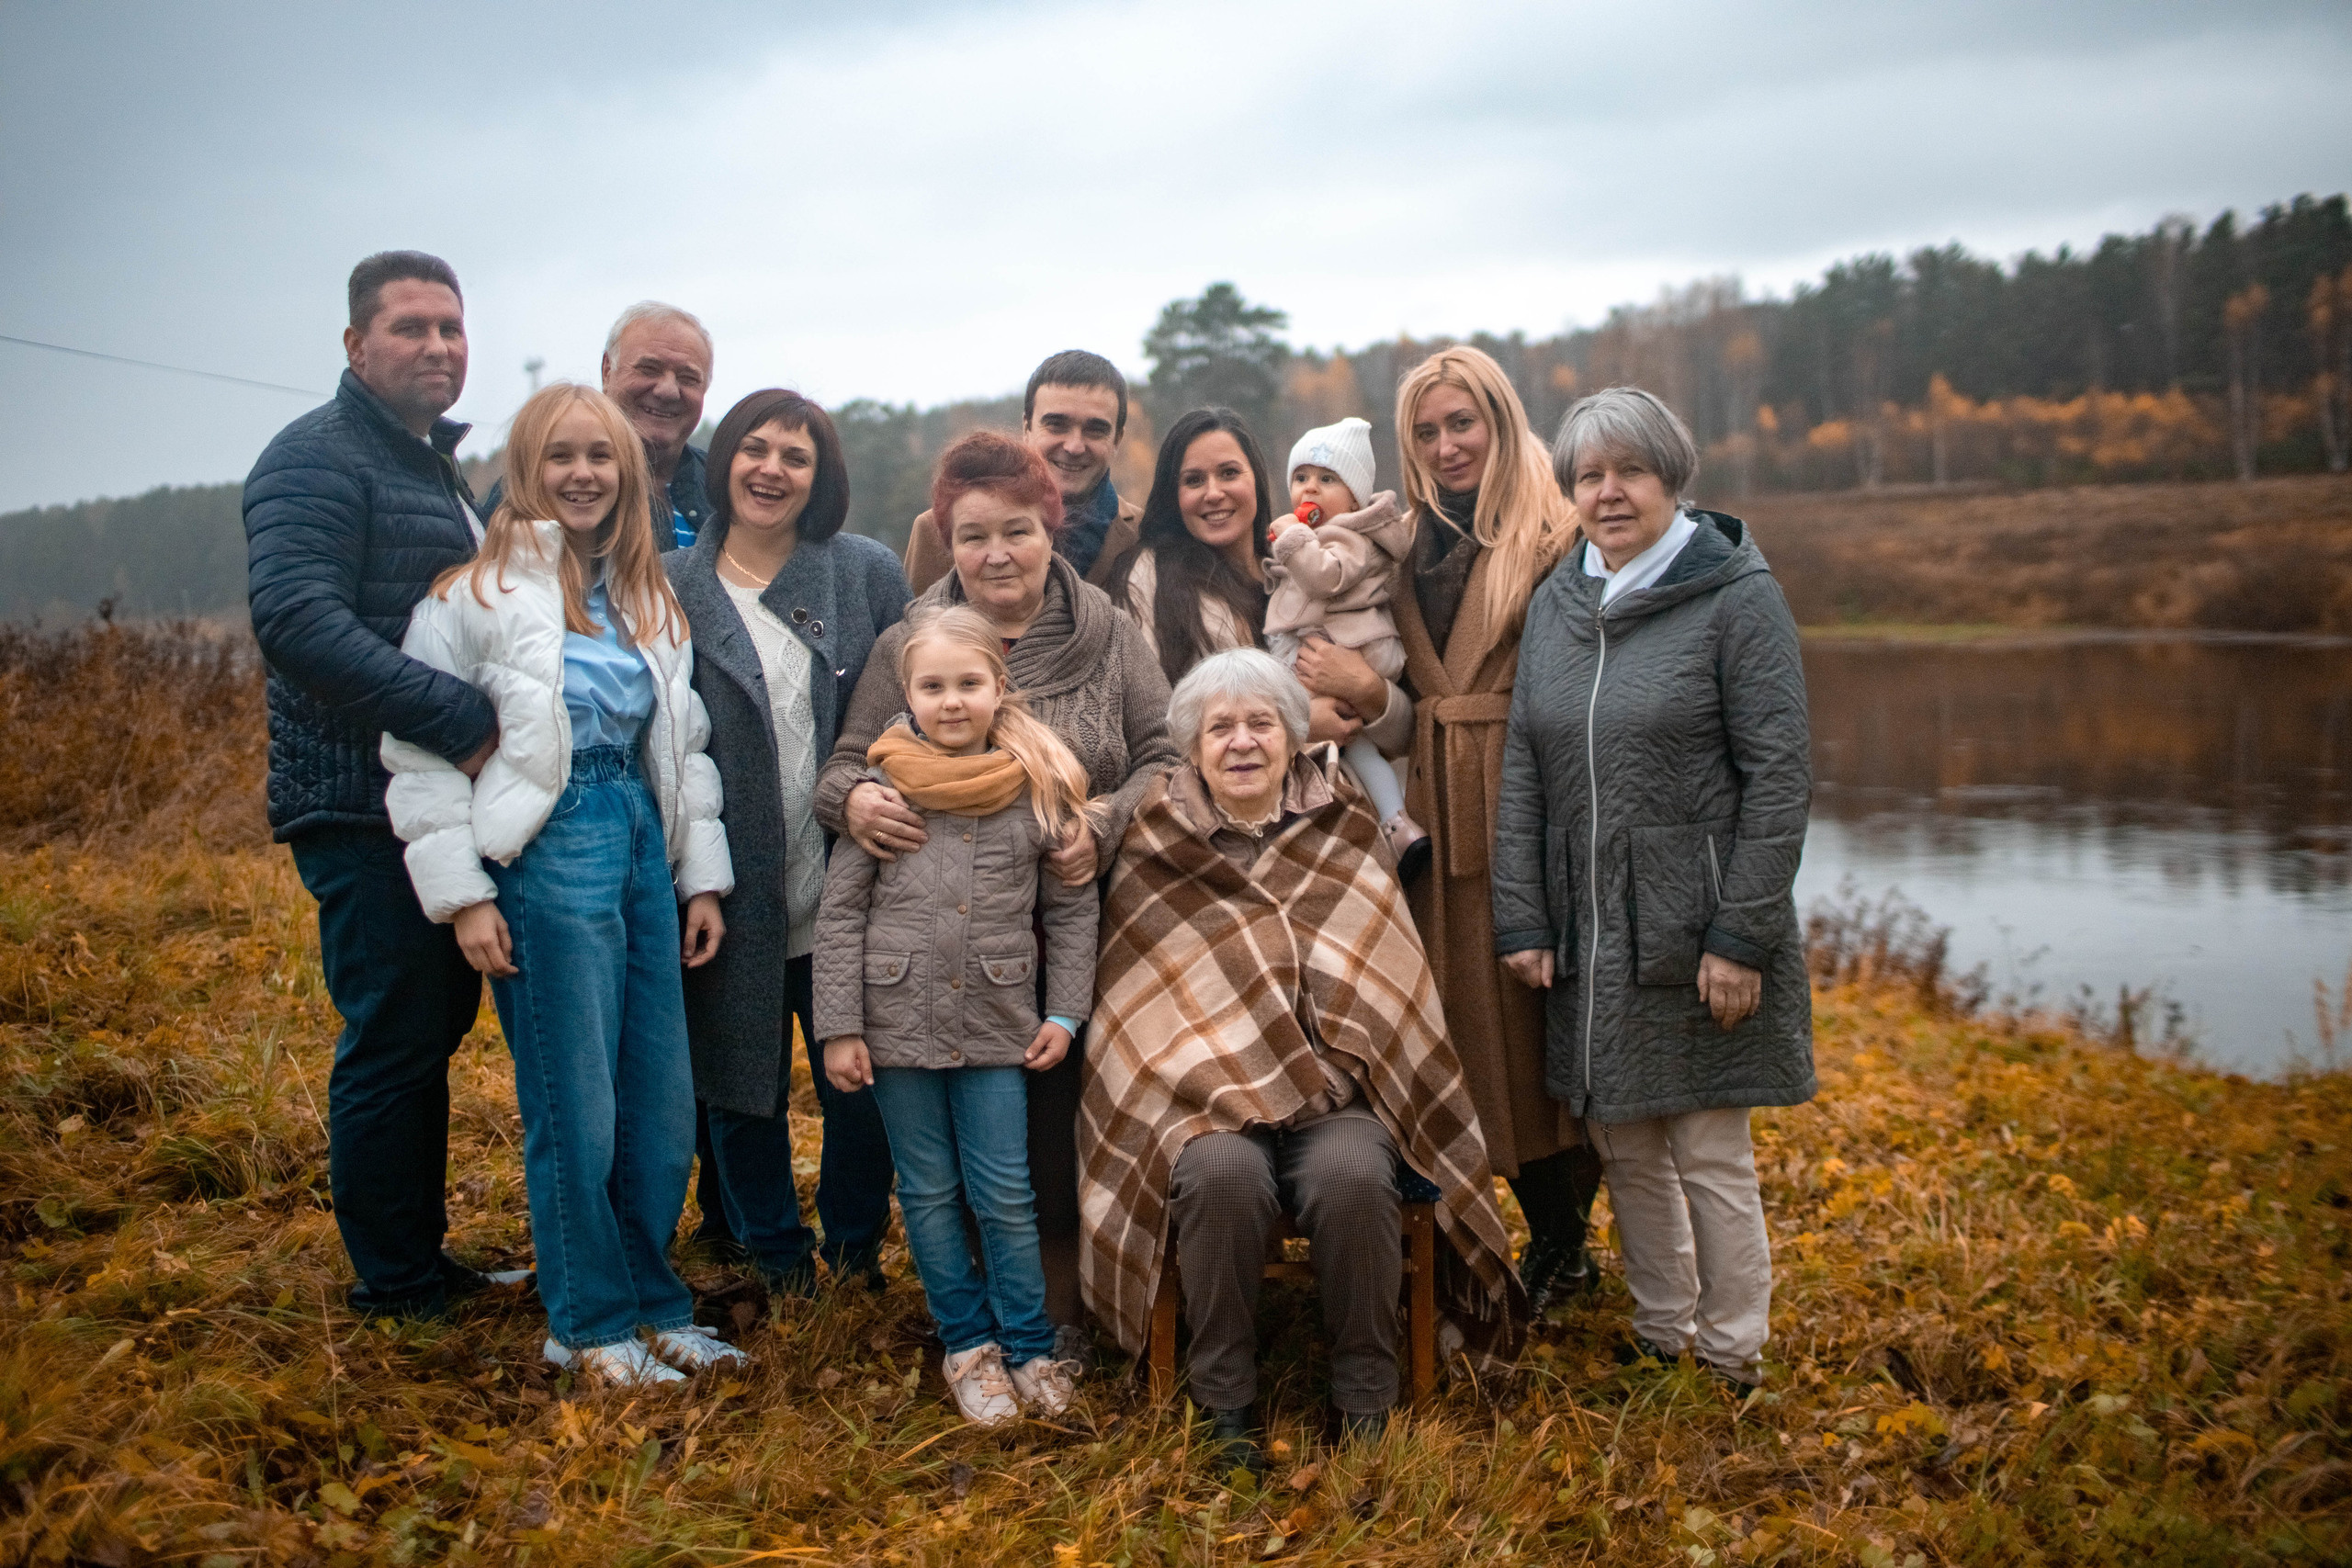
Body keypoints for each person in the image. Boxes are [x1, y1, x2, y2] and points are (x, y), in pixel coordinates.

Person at [1079, 649, 1520, 1472]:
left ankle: (1365, 1394)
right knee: (1222, 1179)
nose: (1241, 743)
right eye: (1221, 728)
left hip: (1338, 1092)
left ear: (1290, 736)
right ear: (1192, 744)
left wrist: (1332, 1074)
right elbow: (1138, 1007)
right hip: (1199, 1100)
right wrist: (1222, 1085)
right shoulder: (1153, 837)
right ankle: (1224, 1400)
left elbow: (1386, 985)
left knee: (1354, 1176)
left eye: (1261, 724)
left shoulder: (1345, 823)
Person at [382, 382, 739, 1386]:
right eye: (560, 457)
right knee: (574, 1101)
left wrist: (698, 877)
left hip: (637, 834)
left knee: (657, 1099)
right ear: (526, 470)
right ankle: (584, 1322)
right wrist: (465, 897)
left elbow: (685, 746)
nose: (583, 474)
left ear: (627, 472)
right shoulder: (473, 597)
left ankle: (653, 1302)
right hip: (546, 846)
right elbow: (415, 758)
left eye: (601, 456)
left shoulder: (647, 596)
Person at [818, 430, 1181, 1365]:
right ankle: (976, 1327)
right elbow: (844, 769)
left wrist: (1096, 827)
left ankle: (1070, 1311)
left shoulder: (1105, 631)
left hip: (1078, 918)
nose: (995, 555)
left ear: (1049, 528)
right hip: (929, 945)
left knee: (1046, 1152)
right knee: (947, 1168)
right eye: (971, 535)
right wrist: (857, 800)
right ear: (946, 538)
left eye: (1015, 531)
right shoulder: (914, 642)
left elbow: (1164, 760)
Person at [1493, 387, 1815, 1393]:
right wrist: (1525, 915)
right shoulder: (1559, 598)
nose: (1608, 492)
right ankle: (1660, 1327)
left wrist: (1741, 937)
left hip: (1693, 920)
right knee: (1622, 1138)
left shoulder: (1734, 595)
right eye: (1588, 475)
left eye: (1629, 470)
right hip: (1588, 923)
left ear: (1671, 477)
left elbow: (1779, 775)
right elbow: (1523, 769)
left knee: (1708, 1145)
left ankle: (1731, 1352)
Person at [244, 250, 504, 1323]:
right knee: (394, 1035)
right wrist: (461, 721)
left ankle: (416, 1256)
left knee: (427, 1030)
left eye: (450, 327)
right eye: (411, 329)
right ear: (357, 346)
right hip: (359, 804)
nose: (437, 347)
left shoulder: (429, 465)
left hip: (426, 806)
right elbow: (298, 624)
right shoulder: (314, 458)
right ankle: (394, 1283)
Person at [1334, 345, 1607, 1314]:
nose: (1448, 445)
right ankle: (1496, 1231)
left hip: (1529, 794)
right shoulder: (1407, 546)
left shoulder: (1556, 534)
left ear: (1499, 420)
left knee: (1537, 1017)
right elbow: (1401, 694)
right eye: (1427, 431)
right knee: (1463, 1021)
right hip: (1430, 807)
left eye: (1464, 423)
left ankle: (1567, 1238)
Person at [815, 606, 1100, 1427]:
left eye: (968, 684)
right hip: (896, 1022)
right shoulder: (883, 794)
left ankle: (1029, 1343)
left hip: (997, 1023)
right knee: (931, 1190)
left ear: (997, 688)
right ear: (905, 693)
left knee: (1005, 1191)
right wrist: (839, 1026)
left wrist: (1065, 1012)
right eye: (932, 686)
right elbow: (841, 915)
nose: (951, 702)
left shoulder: (1032, 787)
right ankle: (967, 1344)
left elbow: (1072, 911)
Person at [663, 389, 907, 1292]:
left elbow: (915, 709)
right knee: (738, 1078)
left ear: (821, 476)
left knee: (863, 1084)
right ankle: (774, 1257)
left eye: (795, 457)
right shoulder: (672, 585)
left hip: (850, 879)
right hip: (725, 885)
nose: (771, 469)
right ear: (723, 459)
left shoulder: (863, 572)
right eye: (754, 448)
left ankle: (851, 1254)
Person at [1263, 415, 1429, 874]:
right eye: (1301, 478)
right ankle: (1394, 824)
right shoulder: (1323, 537)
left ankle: (1394, 822)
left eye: (1326, 479)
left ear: (1354, 497)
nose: (1309, 489)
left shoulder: (1353, 536)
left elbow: (1324, 576)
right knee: (1354, 746)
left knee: (1346, 740)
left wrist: (1292, 539)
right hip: (1335, 649)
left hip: (1352, 648)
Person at [902, 350, 1142, 593]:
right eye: (1057, 425)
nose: (1074, 446)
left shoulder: (1146, 535)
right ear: (1027, 427)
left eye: (1095, 430)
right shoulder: (937, 531)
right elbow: (917, 627)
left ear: (1117, 440)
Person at [483, 301, 715, 548]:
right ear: (607, 371)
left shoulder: (724, 487)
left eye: (688, 378)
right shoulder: (533, 486)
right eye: (649, 369)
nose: (668, 391)